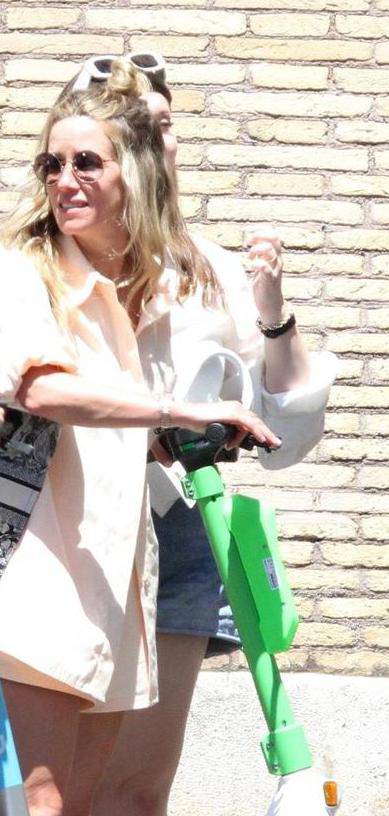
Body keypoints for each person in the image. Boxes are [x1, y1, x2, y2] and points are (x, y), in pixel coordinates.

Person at [0, 65, 277, 816]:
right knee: (45, 801)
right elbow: (40, 389)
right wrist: (176, 411)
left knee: (89, 805)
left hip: (118, 578)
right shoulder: (25, 273)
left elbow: (101, 432)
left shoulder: (136, 291)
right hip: (35, 571)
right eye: (52, 164)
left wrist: (168, 443)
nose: (65, 180)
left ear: (137, 173)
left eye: (87, 162)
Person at [70, 57, 336, 816]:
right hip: (67, 534)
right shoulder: (38, 265)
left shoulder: (206, 270)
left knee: (137, 791)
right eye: (143, 128)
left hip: (178, 534)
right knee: (55, 788)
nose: (164, 142)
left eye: (168, 125)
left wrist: (273, 312)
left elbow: (284, 430)